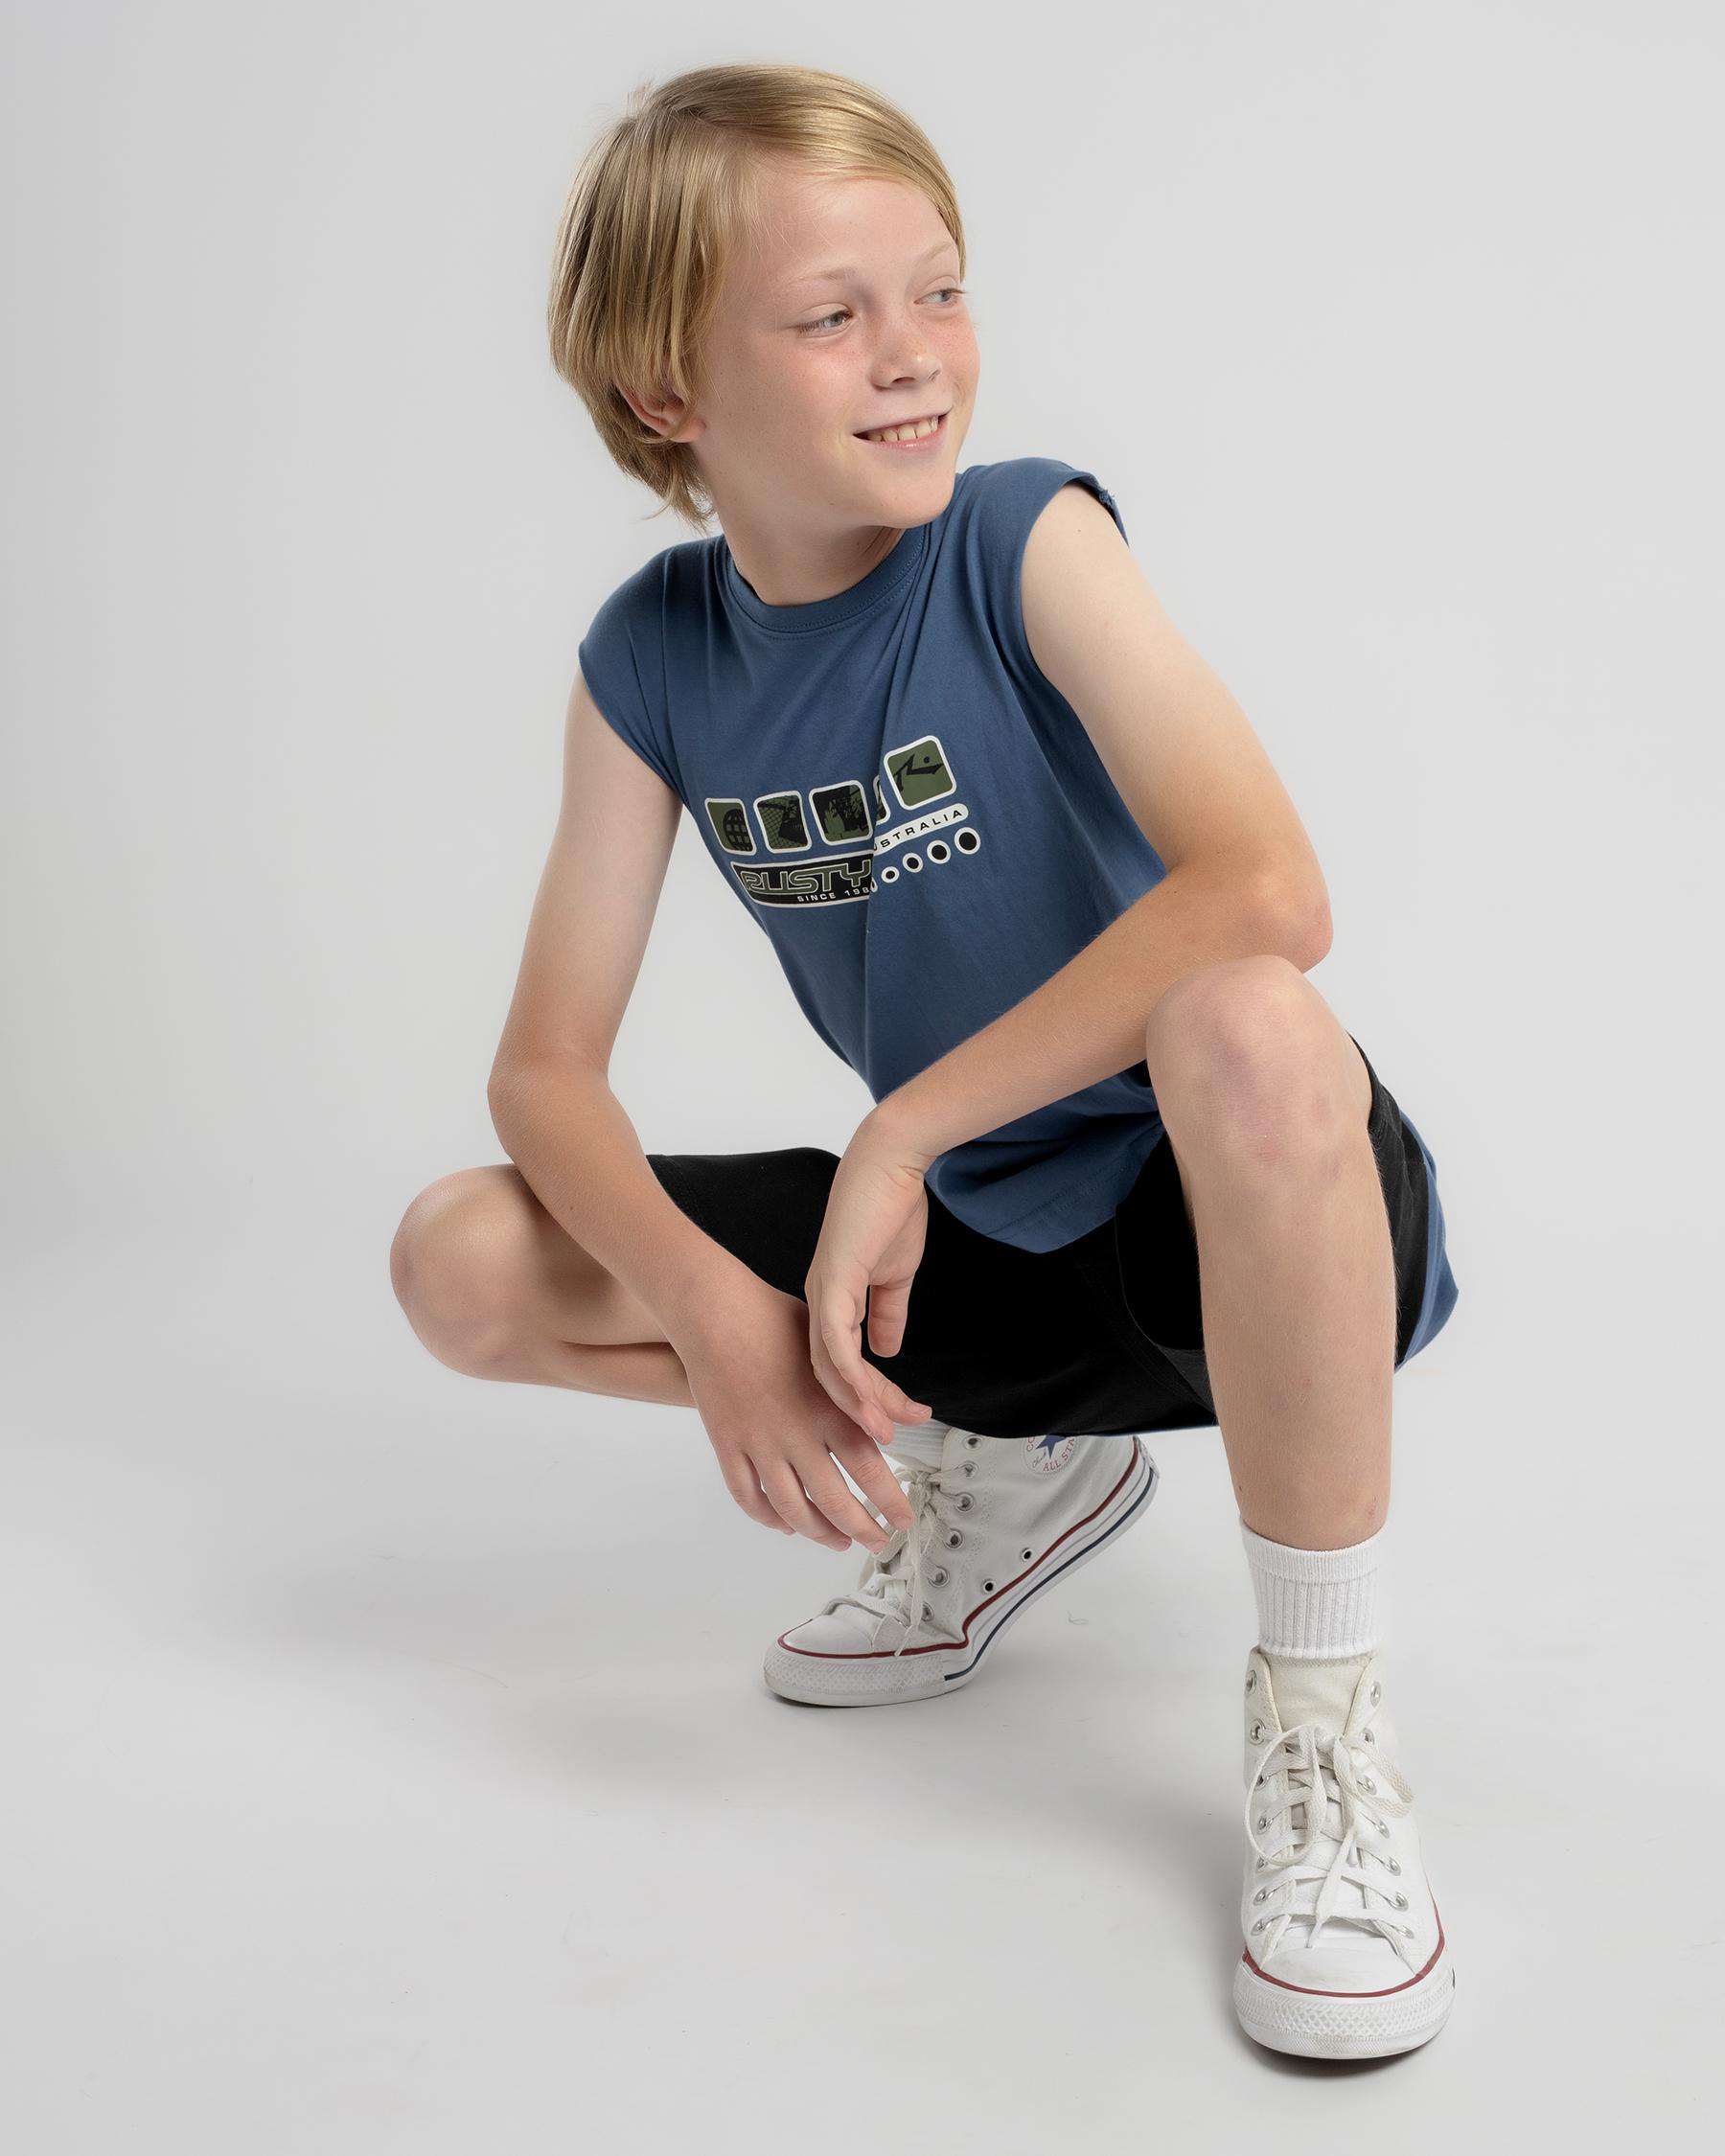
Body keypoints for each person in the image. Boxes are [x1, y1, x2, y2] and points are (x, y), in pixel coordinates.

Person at [389, 62, 1461, 2063]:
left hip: (1250, 1228)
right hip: (992, 1263)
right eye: (833, 314)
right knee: (462, 1259)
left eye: (941, 289)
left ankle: (1326, 1730)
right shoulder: (652, 659)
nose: (915, 355)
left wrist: (902, 1129)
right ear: (665, 391)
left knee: (1242, 1012)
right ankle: (1023, 1473)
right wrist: (714, 1314)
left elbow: (1268, 887)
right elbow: (545, 1075)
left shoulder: (1021, 539)